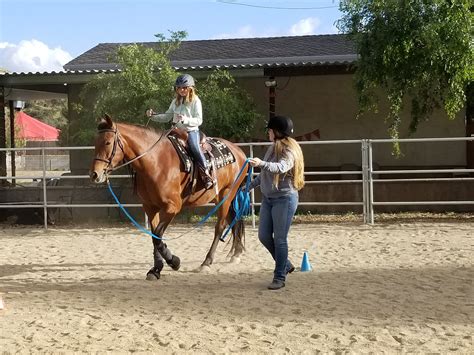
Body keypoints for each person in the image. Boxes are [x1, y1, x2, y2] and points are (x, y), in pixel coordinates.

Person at [246, 115, 305, 290]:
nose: (268, 133)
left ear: (277, 132)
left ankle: (279, 276)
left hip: (284, 200)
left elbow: (280, 167)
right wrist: (247, 186)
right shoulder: (273, 148)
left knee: (280, 239)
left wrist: (261, 163)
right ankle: (285, 264)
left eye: (270, 130)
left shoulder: (288, 151)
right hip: (269, 199)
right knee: (263, 236)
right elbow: (266, 174)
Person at [146, 74, 213, 189]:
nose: (181, 90)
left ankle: (206, 173)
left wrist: (185, 119)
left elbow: (199, 120)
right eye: (179, 88)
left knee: (194, 147)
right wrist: (153, 116)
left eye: (184, 87)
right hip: (175, 130)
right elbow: (167, 116)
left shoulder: (196, 101)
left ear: (190, 88)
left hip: (191, 131)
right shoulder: (175, 101)